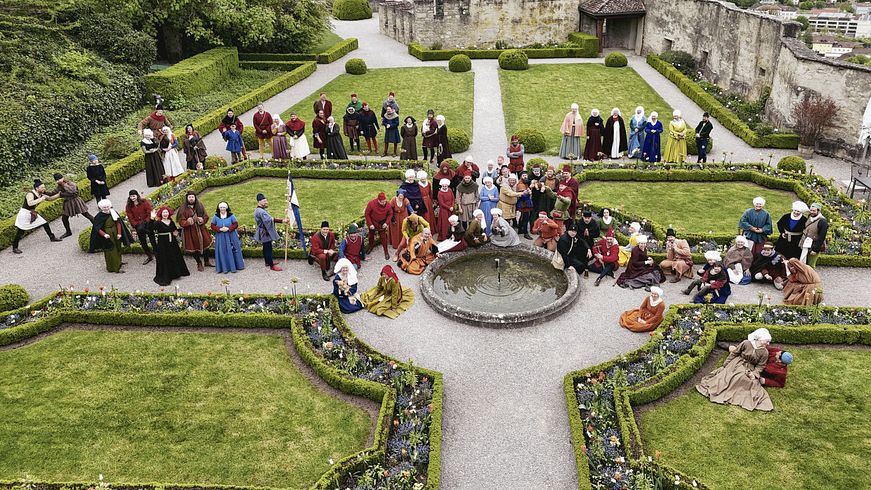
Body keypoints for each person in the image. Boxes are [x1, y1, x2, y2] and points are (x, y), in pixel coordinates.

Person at [696, 328, 774, 411]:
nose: (768, 343)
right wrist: (726, 364)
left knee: (748, 381)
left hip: (750, 368)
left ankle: (737, 394)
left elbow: (760, 366)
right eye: (767, 341)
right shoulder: (746, 343)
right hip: (737, 363)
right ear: (760, 339)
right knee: (732, 376)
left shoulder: (765, 352)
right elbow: (735, 353)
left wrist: (754, 374)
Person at [12, 179, 62, 253]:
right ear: (37, 188)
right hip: (24, 214)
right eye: (42, 187)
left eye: (44, 187)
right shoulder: (30, 194)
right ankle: (15, 248)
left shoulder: (41, 194)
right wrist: (41, 199)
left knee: (45, 223)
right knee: (20, 232)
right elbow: (30, 203)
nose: (44, 189)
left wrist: (60, 194)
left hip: (32, 213)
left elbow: (50, 199)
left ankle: (52, 237)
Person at [88, 199, 133, 273]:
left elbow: (118, 223)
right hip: (107, 234)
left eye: (107, 207)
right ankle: (115, 268)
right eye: (104, 207)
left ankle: (119, 262)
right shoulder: (99, 216)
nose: (106, 208)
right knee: (112, 250)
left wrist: (119, 233)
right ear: (101, 208)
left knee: (118, 247)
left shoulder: (113, 212)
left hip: (115, 232)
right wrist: (104, 234)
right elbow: (97, 228)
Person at [150, 206, 190, 286]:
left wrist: (176, 233)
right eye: (164, 212)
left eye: (166, 212)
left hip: (172, 242)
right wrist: (152, 218)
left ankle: (176, 273)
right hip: (163, 243)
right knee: (165, 258)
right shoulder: (158, 222)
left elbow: (174, 229)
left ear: (169, 213)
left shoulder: (171, 222)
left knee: (174, 256)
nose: (165, 214)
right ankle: (166, 275)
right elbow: (150, 228)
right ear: (161, 214)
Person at [50, 172, 94, 239]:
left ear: (62, 178)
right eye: (56, 180)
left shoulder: (69, 183)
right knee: (64, 218)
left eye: (59, 179)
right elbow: (52, 193)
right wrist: (43, 192)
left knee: (86, 214)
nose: (58, 181)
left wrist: (63, 184)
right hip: (68, 203)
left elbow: (72, 191)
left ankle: (97, 226)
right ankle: (68, 232)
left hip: (76, 201)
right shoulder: (59, 186)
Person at [176, 191, 213, 271]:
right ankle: (199, 263)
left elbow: (206, 216)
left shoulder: (199, 206)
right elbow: (181, 222)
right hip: (190, 231)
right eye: (190, 197)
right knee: (194, 248)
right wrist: (188, 222)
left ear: (195, 197)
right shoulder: (183, 208)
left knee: (206, 246)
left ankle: (206, 261)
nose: (191, 198)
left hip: (201, 229)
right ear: (187, 198)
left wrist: (202, 220)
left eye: (192, 197)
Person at [254, 193, 289, 273]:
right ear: (259, 202)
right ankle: (271, 265)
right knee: (268, 248)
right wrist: (283, 220)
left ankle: (267, 262)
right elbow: (269, 220)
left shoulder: (259, 209)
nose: (266, 202)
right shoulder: (261, 211)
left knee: (266, 247)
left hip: (263, 231)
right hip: (264, 232)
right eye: (264, 201)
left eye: (266, 200)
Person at [210, 202, 245, 274]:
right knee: (222, 250)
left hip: (231, 235)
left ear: (226, 208)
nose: (222, 209)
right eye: (221, 207)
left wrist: (228, 229)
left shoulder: (231, 216)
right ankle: (224, 267)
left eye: (224, 207)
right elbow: (212, 226)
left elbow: (235, 224)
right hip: (220, 236)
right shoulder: (216, 216)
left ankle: (237, 265)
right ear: (219, 208)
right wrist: (219, 229)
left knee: (234, 249)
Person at [126, 190, 156, 265]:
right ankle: (149, 256)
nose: (133, 198)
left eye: (134, 196)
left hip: (147, 223)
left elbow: (149, 212)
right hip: (139, 225)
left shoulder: (144, 202)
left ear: (137, 195)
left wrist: (146, 221)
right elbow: (130, 217)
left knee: (152, 239)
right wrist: (136, 224)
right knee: (143, 242)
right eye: (131, 196)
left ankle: (157, 253)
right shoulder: (129, 206)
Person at [365, 191, 394, 260]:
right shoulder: (371, 203)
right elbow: (367, 214)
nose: (384, 203)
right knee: (371, 236)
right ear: (378, 200)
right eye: (382, 202)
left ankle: (386, 252)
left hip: (381, 224)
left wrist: (386, 223)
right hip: (373, 222)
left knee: (383, 238)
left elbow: (390, 214)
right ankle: (370, 247)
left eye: (385, 201)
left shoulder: (388, 205)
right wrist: (370, 224)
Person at [800, 202, 828, 267]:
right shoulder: (810, 217)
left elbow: (822, 237)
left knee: (811, 265)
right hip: (805, 243)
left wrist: (815, 250)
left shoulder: (823, 222)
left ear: (819, 211)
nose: (812, 212)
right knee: (803, 263)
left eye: (814, 211)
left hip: (813, 245)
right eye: (811, 210)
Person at [516, 171, 534, 239]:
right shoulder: (520, 184)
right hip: (523, 202)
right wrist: (530, 187)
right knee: (526, 218)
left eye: (526, 175)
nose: (525, 177)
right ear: (521, 177)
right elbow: (524, 194)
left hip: (525, 202)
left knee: (522, 216)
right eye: (523, 175)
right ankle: (525, 233)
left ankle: (520, 229)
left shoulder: (525, 182)